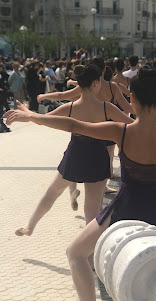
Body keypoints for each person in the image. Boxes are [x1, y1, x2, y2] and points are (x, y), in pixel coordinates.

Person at [5, 68, 156, 301]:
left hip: (124, 210)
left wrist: (33, 116)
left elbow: (73, 124)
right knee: (152, 273)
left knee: (75, 253)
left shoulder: (121, 131)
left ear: (131, 99)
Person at [11, 64, 133, 238]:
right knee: (92, 210)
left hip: (75, 153)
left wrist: (28, 113)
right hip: (97, 157)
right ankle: (89, 256)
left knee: (52, 192)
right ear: (97, 83)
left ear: (79, 84)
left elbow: (43, 120)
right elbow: (131, 126)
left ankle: (30, 226)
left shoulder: (70, 107)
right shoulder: (107, 107)